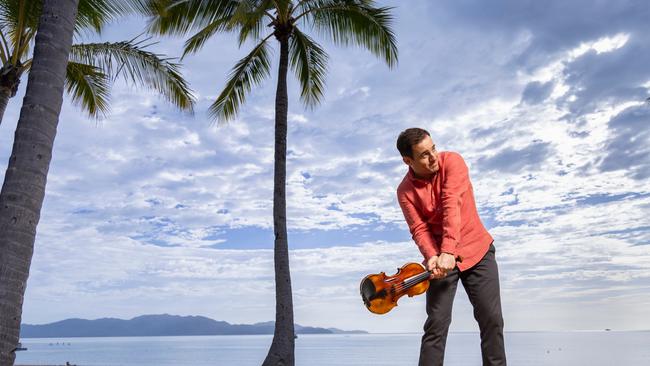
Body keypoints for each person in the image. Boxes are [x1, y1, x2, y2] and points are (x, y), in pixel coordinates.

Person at [395, 127, 507, 366]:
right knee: (436, 324)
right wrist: (432, 257)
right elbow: (419, 228)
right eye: (424, 154)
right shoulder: (404, 191)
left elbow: (451, 204)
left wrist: (448, 251)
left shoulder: (453, 161)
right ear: (408, 160)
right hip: (441, 261)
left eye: (433, 148)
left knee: (492, 319)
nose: (433, 156)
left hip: (477, 251)